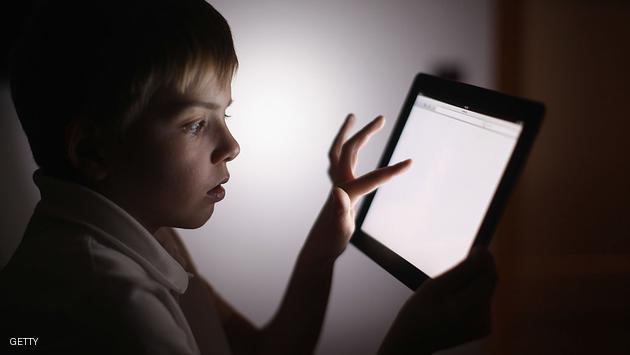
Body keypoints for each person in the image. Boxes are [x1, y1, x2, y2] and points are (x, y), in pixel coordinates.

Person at [0, 0, 497, 354]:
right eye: (195, 124)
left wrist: (322, 250)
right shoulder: (116, 309)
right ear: (92, 149)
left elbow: (261, 351)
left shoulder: (146, 236)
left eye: (225, 117)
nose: (231, 146)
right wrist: (409, 345)